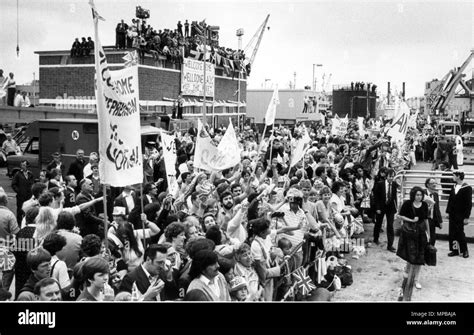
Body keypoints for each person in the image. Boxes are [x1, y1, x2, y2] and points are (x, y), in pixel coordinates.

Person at [396, 186, 429, 290]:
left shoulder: (424, 205)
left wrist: (429, 233)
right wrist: (411, 220)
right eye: (417, 195)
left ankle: (416, 279)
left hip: (420, 233)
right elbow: (400, 216)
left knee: (420, 256)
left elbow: (426, 219)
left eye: (420, 195)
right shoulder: (407, 204)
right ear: (413, 195)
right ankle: (407, 270)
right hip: (409, 233)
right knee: (410, 255)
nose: (419, 197)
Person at [446, 171, 472, 258]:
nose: (452, 177)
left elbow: (468, 204)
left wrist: (466, 217)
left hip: (461, 214)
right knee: (452, 232)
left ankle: (464, 250)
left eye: (454, 175)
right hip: (453, 213)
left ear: (458, 176)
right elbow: (450, 200)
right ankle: (455, 250)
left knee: (460, 232)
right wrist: (448, 212)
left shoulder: (467, 187)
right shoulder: (453, 186)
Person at [372, 168, 398, 251]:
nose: (391, 178)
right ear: (386, 176)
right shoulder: (380, 184)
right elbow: (375, 197)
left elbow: (395, 197)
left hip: (390, 207)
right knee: (378, 223)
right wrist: (377, 208)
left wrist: (395, 207)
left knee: (390, 225)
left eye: (393, 177)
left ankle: (390, 245)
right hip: (381, 206)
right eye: (390, 176)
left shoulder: (394, 184)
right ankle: (376, 238)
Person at [424, 178, 442, 246]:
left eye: (435, 183)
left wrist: (440, 221)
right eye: (432, 183)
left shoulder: (435, 195)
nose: (434, 185)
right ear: (428, 185)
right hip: (424, 219)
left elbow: (437, 209)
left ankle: (431, 253)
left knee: (433, 238)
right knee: (425, 237)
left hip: (432, 219)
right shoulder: (422, 193)